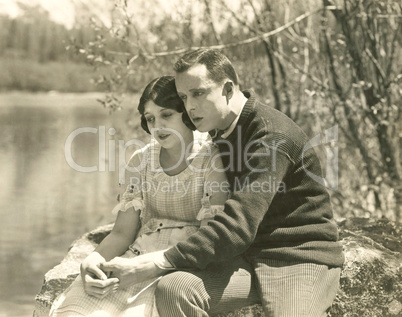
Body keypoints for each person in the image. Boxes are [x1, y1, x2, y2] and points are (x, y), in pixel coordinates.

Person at [111, 49, 344, 316]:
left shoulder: (271, 137)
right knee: (175, 289)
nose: (190, 106)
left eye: (198, 93)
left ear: (229, 89)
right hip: (244, 257)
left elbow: (238, 224)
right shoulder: (218, 131)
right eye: (184, 97)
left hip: (296, 256)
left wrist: (156, 262)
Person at [49, 76, 258, 316]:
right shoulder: (140, 161)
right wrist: (93, 260)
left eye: (166, 115)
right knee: (77, 310)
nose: (158, 126)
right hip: (135, 256)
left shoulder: (212, 158)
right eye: (150, 119)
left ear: (186, 114)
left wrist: (147, 267)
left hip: (179, 265)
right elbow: (121, 233)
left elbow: (208, 238)